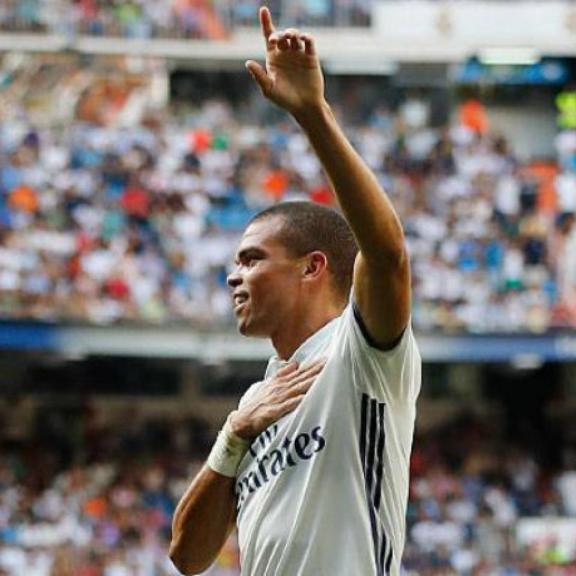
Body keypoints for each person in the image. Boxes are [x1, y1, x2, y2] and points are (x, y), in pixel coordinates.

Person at [169, 7, 420, 575]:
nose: (234, 276)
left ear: (313, 268)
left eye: (252, 259)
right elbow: (187, 556)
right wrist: (236, 433)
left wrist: (313, 114)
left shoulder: (359, 355)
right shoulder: (259, 399)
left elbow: (387, 254)